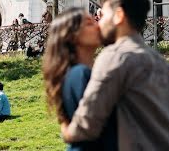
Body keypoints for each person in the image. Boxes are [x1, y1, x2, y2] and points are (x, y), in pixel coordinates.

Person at [61, 0, 169, 150]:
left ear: (119, 16)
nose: (99, 23)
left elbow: (86, 126)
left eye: (104, 15)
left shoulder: (115, 56)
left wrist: (65, 128)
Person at [43, 8, 116, 150]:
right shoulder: (80, 74)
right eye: (90, 23)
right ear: (72, 36)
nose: (98, 24)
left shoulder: (76, 74)